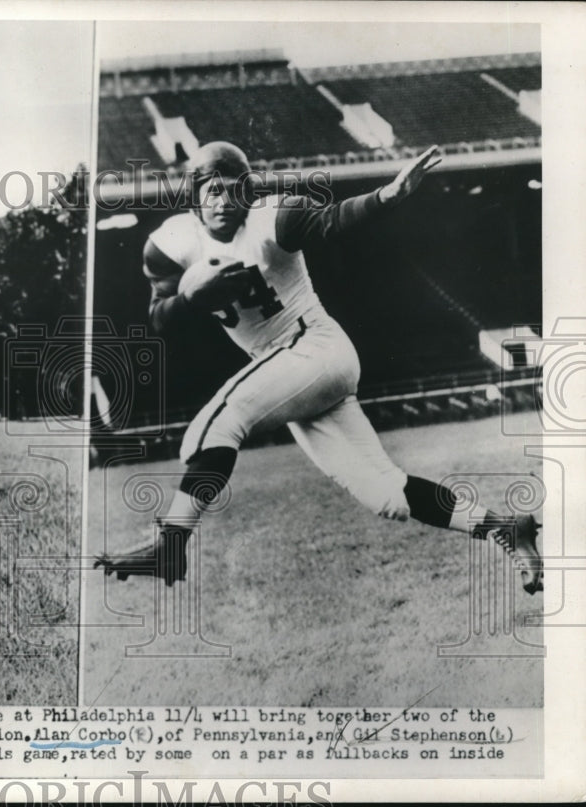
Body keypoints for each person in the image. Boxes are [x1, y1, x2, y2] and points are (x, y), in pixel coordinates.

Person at [94, 141, 543, 596]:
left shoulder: (273, 218)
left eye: (234, 190)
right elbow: (158, 316)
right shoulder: (171, 243)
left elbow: (333, 220)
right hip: (289, 371)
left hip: (314, 347)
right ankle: (507, 527)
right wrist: (192, 299)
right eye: (213, 190)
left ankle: (169, 543)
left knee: (213, 428)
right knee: (386, 493)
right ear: (194, 194)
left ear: (249, 192)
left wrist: (388, 195)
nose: (224, 201)